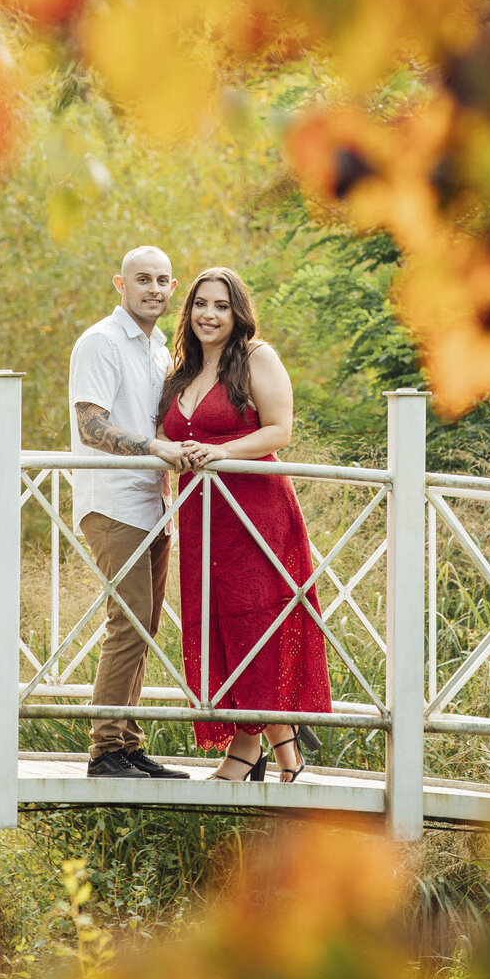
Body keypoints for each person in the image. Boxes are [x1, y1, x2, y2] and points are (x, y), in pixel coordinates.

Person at [159, 267, 332, 781]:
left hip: (256, 509)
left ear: (238, 313)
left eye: (221, 306)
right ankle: (286, 749)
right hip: (201, 516)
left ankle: (244, 749)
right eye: (200, 305)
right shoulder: (182, 370)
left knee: (258, 620)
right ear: (187, 311)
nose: (209, 315)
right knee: (218, 622)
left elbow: (281, 429)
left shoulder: (256, 357)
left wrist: (218, 451)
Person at [69, 245, 190, 780]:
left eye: (163, 281)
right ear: (120, 284)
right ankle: (104, 752)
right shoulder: (100, 342)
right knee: (130, 620)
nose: (155, 290)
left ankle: (127, 743)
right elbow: (90, 428)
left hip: (153, 502)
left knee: (146, 624)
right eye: (143, 279)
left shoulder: (159, 347)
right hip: (113, 501)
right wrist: (154, 447)